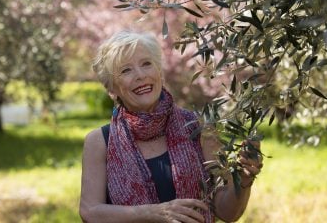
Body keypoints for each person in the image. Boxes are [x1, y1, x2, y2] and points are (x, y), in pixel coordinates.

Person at [79, 31, 263, 222]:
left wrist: (243, 180)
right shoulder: (100, 141)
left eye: (146, 64)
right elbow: (89, 212)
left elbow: (227, 213)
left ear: (159, 72)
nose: (140, 75)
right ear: (111, 89)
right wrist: (153, 213)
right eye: (126, 70)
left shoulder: (199, 127)